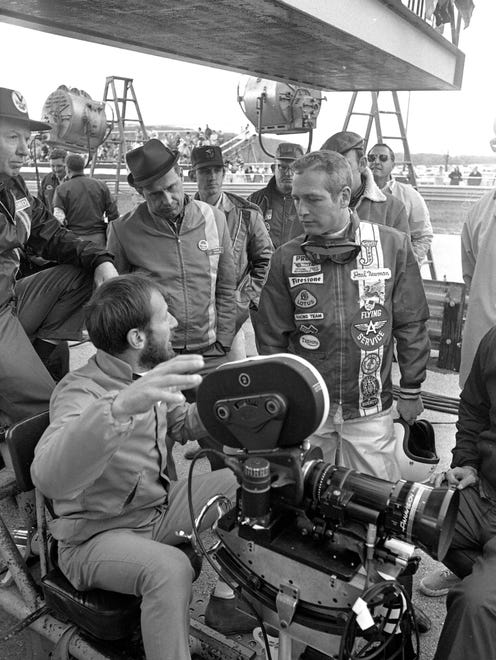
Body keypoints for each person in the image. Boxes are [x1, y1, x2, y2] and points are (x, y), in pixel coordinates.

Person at [31, 274, 254, 660]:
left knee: (245, 483)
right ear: (137, 338)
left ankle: (231, 601)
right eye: (165, 317)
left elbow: (182, 423)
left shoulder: (148, 377)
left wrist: (232, 405)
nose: (175, 325)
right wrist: (117, 410)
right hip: (93, 539)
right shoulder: (79, 391)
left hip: (156, 513)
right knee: (170, 569)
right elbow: (49, 476)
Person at [253, 150, 430, 482]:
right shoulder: (285, 258)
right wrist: (281, 400)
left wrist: (411, 388)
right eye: (296, 199)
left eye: (313, 199)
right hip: (309, 409)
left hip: (369, 409)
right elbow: (272, 340)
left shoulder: (393, 246)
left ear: (344, 196)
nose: (301, 210)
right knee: (307, 500)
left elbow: (411, 323)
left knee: (376, 501)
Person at [0, 87, 117, 425]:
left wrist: (101, 260)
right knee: (49, 411)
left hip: (10, 300)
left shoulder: (14, 186)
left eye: (26, 138)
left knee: (84, 274)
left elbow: (52, 233)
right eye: (12, 137)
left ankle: (36, 351)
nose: (25, 149)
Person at [107, 139, 236, 370]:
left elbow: (226, 286)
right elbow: (117, 301)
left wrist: (224, 341)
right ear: (139, 191)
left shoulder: (215, 218)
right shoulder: (122, 230)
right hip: (155, 357)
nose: (167, 200)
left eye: (171, 188)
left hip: (210, 352)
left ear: (181, 175)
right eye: (155, 194)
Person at [427, 325, 496, 660]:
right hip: (485, 489)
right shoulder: (495, 339)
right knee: (408, 511)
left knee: (475, 604)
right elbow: (473, 409)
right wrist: (467, 463)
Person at [190, 144, 272, 360]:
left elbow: (265, 260)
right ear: (193, 174)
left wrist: (241, 301)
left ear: (224, 173)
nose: (212, 177)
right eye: (205, 171)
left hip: (229, 316)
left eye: (217, 171)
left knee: (234, 380)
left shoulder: (246, 214)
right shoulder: (182, 213)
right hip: (190, 317)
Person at [320, 132, 410, 236]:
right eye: (328, 167)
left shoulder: (392, 209)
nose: (335, 173)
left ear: (362, 164)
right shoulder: (310, 206)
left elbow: (402, 251)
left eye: (344, 165)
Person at [367, 142, 433, 264]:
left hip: (397, 269)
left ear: (393, 165)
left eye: (383, 158)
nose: (376, 161)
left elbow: (423, 236)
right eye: (371, 158)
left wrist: (409, 264)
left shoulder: (410, 195)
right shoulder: (355, 194)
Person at [459, 189, 496, 387]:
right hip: (482, 351)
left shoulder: (480, 209)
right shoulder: (479, 210)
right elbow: (472, 274)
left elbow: (470, 273)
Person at [53, 154, 119, 247]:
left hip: (74, 240)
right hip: (98, 238)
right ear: (83, 167)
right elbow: (113, 214)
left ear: (67, 169)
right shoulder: (101, 186)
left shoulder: (61, 189)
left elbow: (58, 218)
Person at [248, 142, 305, 249]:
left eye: (293, 168)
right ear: (273, 168)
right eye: (282, 167)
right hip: (265, 264)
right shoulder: (254, 201)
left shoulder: (310, 202)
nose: (288, 173)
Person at [38, 147, 67, 212]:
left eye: (59, 166)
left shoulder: (73, 180)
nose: (56, 169)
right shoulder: (46, 179)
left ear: (66, 164)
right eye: (52, 166)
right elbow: (40, 204)